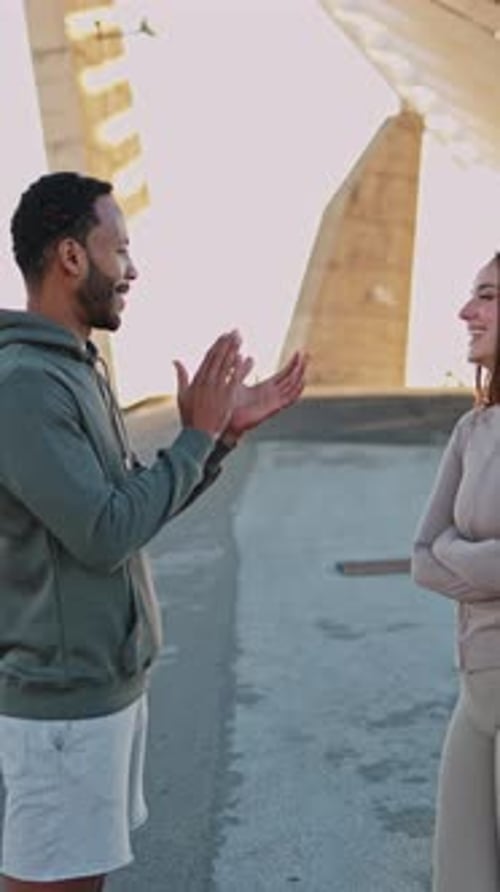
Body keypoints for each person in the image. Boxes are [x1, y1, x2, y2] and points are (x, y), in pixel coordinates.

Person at [0, 171, 306, 892]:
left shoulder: (74, 370)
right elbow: (104, 534)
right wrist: (194, 436)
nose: (132, 270)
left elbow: (133, 506)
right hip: (58, 711)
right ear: (72, 256)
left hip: (98, 696)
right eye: (121, 250)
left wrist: (217, 439)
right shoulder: (25, 385)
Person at [412, 252, 500, 892]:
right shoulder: (473, 429)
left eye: (488, 296)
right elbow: (420, 556)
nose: (466, 311)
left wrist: (455, 552)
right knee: (462, 876)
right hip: (477, 693)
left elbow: (439, 549)